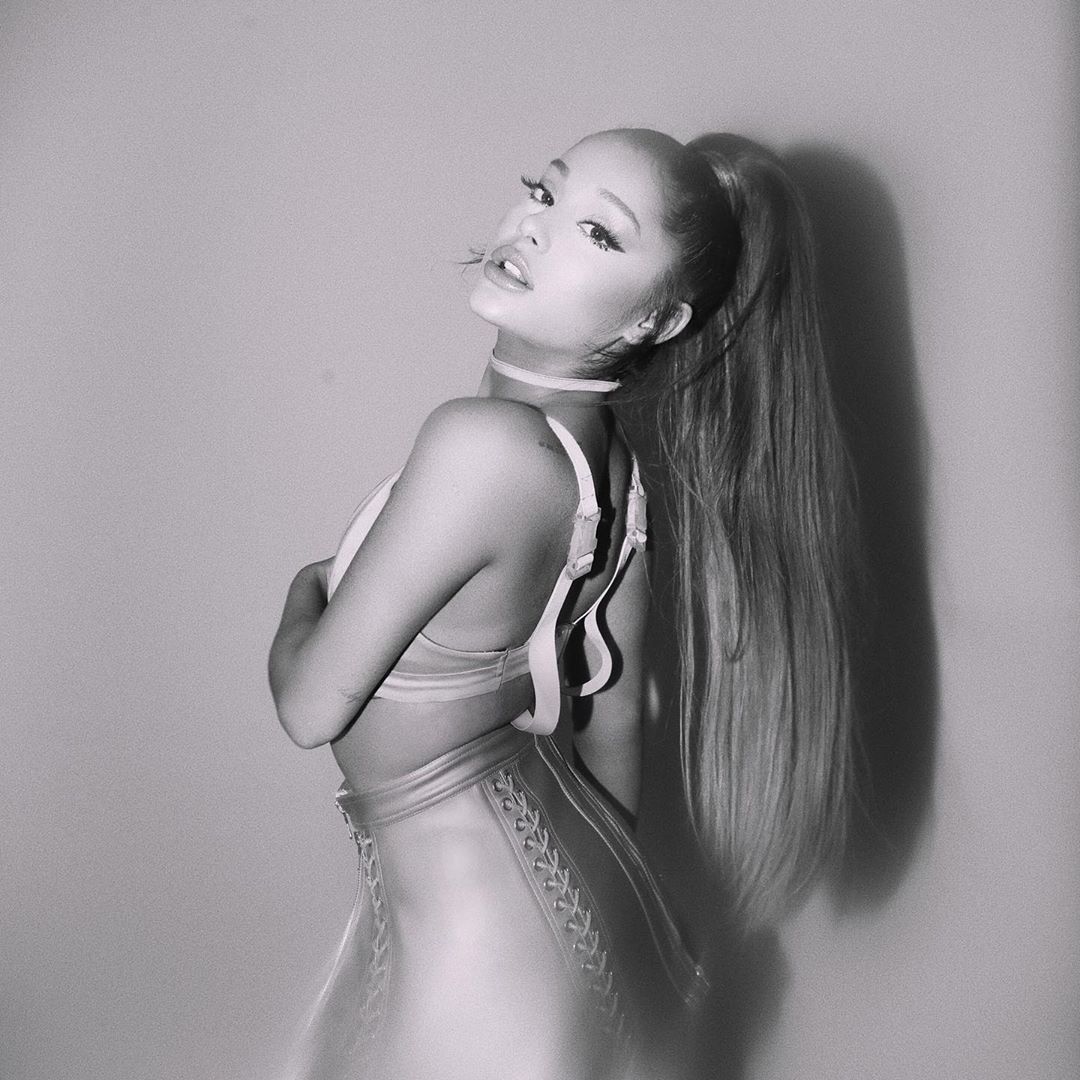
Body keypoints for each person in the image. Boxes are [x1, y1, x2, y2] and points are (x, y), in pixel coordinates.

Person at [268, 128, 854, 1080]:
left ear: (656, 321)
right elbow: (616, 709)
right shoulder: (610, 465)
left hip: (478, 921)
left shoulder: (483, 445)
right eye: (545, 191)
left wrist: (305, 596)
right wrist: (614, 908)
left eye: (598, 232)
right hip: (526, 883)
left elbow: (309, 708)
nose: (534, 226)